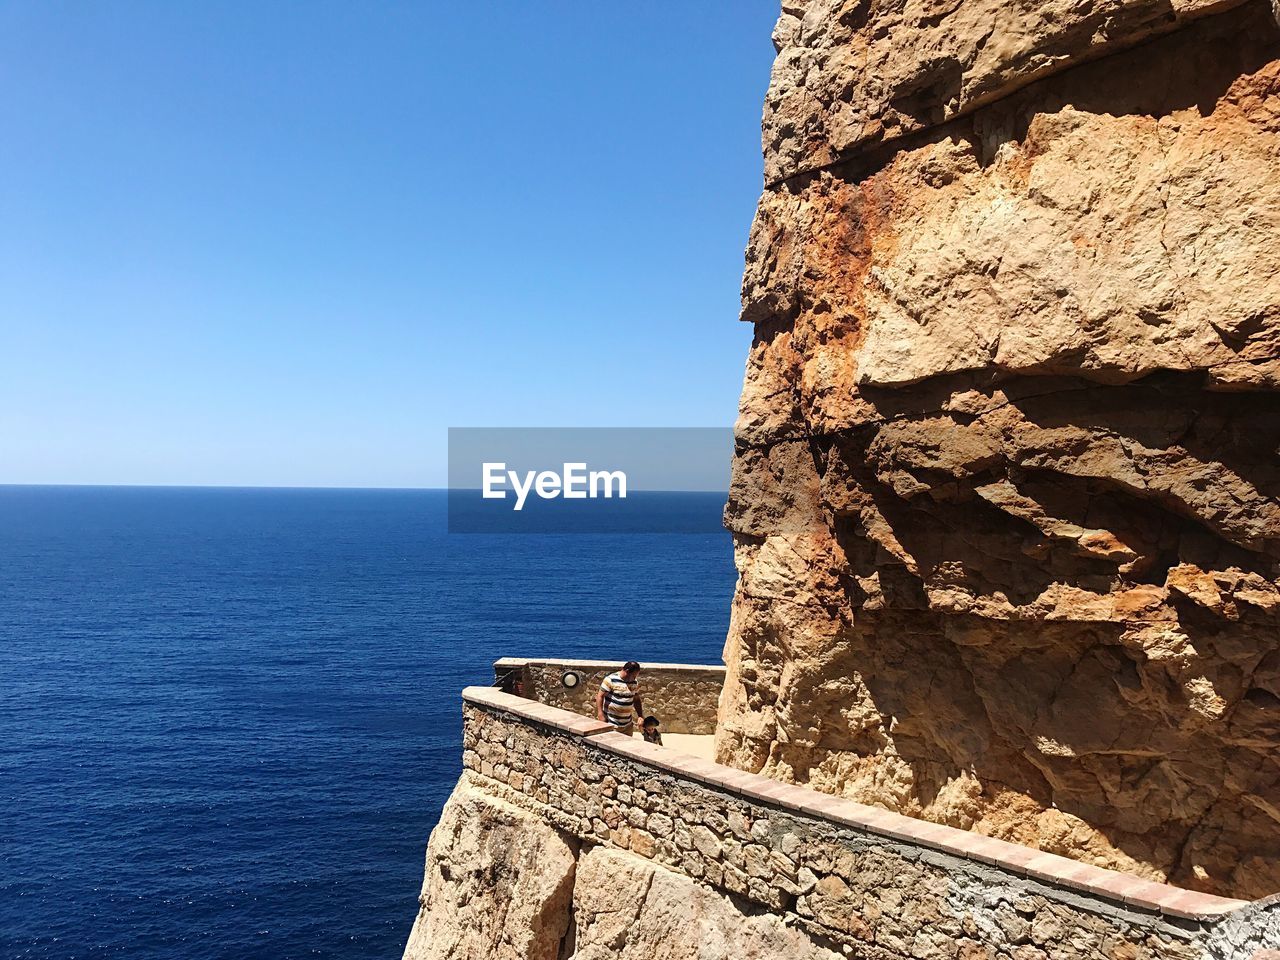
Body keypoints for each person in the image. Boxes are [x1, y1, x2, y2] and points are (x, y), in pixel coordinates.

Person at [596, 661, 643, 736]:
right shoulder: (611, 680)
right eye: (634, 676)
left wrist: (640, 716)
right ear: (627, 672)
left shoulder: (634, 682)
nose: (635, 678)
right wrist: (600, 714)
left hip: (628, 725)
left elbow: (636, 698)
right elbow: (600, 696)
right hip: (612, 724)